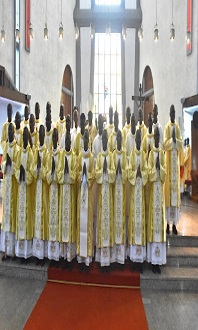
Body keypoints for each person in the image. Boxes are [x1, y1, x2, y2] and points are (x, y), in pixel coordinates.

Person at [95, 129, 116, 272]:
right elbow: (96, 173)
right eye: (102, 140)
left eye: (105, 140)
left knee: (108, 224)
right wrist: (102, 172)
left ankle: (108, 259)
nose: (103, 142)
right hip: (102, 194)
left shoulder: (111, 156)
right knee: (102, 225)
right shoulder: (99, 158)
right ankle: (101, 260)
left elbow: (114, 173)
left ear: (107, 141)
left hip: (108, 194)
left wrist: (108, 172)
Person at [128, 129, 148, 273]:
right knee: (135, 224)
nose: (139, 141)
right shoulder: (132, 154)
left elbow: (147, 171)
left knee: (140, 224)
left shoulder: (144, 155)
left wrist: (143, 174)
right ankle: (134, 259)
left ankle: (140, 260)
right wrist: (136, 174)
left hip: (141, 192)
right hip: (135, 193)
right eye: (138, 139)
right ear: (135, 141)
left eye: (141, 139)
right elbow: (129, 172)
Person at [147, 127, 166, 274]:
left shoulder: (162, 153)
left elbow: (165, 173)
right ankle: (152, 260)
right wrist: (155, 169)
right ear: (154, 137)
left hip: (160, 192)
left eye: (159, 135)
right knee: (154, 224)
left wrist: (161, 169)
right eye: (156, 135)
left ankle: (158, 260)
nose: (157, 137)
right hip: (154, 191)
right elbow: (148, 173)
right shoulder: (151, 153)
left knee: (159, 224)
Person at [57, 131, 77, 270]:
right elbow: (58, 174)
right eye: (67, 141)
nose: (69, 143)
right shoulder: (62, 156)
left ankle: (70, 256)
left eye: (70, 141)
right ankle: (63, 255)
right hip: (63, 194)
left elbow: (75, 175)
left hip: (70, 195)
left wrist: (68, 172)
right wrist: (62, 171)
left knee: (69, 224)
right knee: (63, 223)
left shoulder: (74, 157)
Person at [1, 123, 19, 260]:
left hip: (14, 186)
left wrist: (11, 166)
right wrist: (4, 165)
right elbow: (2, 164)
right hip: (7, 183)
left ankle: (13, 250)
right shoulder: (6, 146)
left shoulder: (17, 149)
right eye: (9, 131)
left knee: (13, 216)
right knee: (5, 215)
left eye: (12, 130)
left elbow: (19, 168)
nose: (10, 133)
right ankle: (5, 249)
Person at [76, 129, 94, 270]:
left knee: (87, 224)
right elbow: (76, 173)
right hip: (80, 193)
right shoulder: (79, 156)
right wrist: (80, 174)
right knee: (80, 223)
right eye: (85, 138)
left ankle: (87, 258)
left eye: (88, 138)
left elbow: (93, 174)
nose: (86, 140)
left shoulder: (91, 157)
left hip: (87, 192)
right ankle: (80, 258)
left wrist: (86, 176)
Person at [15, 127, 34, 262]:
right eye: (24, 135)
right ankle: (19, 252)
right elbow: (16, 168)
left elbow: (32, 173)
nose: (25, 137)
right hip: (20, 189)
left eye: (27, 136)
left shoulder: (31, 153)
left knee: (26, 218)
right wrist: (18, 173)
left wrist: (25, 174)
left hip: (27, 190)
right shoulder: (18, 153)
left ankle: (27, 253)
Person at [164, 105, 183, 235]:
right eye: (171, 112)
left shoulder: (177, 127)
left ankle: (175, 224)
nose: (172, 114)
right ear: (169, 113)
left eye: (174, 112)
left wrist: (176, 140)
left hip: (175, 165)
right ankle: (167, 224)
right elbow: (165, 143)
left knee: (175, 196)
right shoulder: (166, 127)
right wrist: (172, 140)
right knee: (168, 194)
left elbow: (180, 144)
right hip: (168, 164)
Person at [32, 125, 48, 265]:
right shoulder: (35, 151)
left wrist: (41, 170)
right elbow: (31, 171)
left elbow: (49, 174)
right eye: (40, 133)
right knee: (37, 219)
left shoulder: (47, 154)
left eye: (44, 134)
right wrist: (36, 168)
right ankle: (36, 253)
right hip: (36, 189)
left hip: (44, 192)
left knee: (43, 218)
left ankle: (44, 254)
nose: (42, 136)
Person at [46, 128, 61, 264]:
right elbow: (46, 173)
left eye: (56, 136)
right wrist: (51, 173)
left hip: (60, 194)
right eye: (53, 136)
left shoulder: (61, 154)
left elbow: (63, 173)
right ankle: (52, 254)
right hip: (51, 192)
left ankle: (59, 255)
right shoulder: (48, 154)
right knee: (52, 221)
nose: (55, 138)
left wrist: (58, 174)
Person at [112, 130, 127, 267]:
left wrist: (120, 172)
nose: (119, 141)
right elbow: (110, 173)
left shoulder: (124, 155)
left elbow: (127, 173)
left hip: (120, 194)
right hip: (113, 195)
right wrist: (110, 172)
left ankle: (120, 257)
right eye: (117, 139)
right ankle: (112, 256)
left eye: (120, 139)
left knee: (120, 222)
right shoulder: (112, 155)